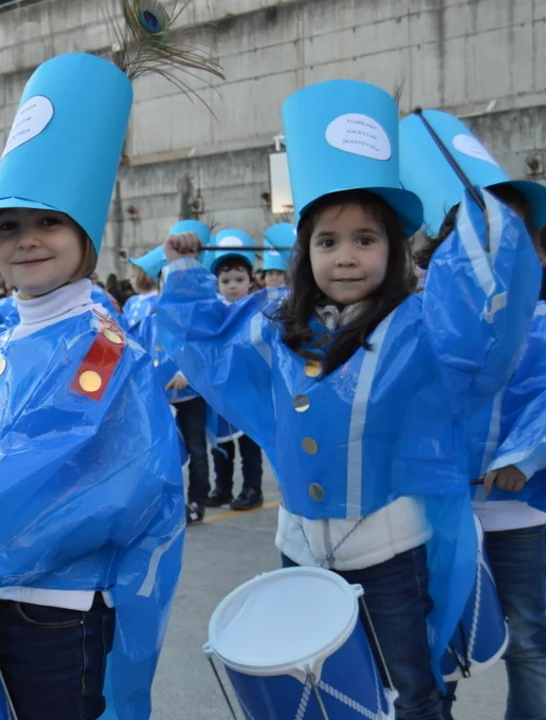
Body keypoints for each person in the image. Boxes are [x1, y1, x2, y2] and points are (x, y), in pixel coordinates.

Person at [159, 79, 540, 720]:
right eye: (327, 241)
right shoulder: (276, 325)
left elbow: (485, 335)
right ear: (304, 252)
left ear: (393, 249)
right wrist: (182, 271)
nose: (346, 256)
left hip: (390, 554)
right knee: (323, 691)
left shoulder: (422, 328)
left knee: (411, 690)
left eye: (366, 239)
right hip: (300, 548)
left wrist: (489, 230)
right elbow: (204, 344)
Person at [0, 52, 183, 720]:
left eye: (47, 222)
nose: (26, 240)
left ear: (85, 236)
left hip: (60, 606)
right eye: (8, 227)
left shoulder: (101, 344)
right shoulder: (7, 338)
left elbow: (53, 447)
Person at [400, 109, 546, 720]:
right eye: (481, 229)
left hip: (517, 509)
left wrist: (524, 457)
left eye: (515, 231)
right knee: (436, 641)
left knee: (529, 638)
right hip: (436, 506)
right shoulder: (420, 317)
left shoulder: (542, 319)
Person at [200, 230, 265, 512]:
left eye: (239, 280)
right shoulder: (214, 312)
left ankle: (252, 488)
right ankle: (223, 488)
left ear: (251, 281)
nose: (233, 286)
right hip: (221, 389)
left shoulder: (259, 309)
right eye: (226, 281)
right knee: (221, 442)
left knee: (249, 443)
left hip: (250, 387)